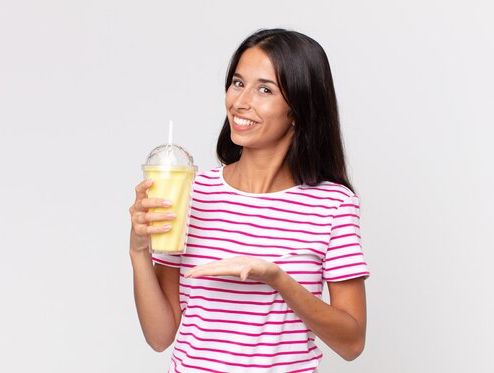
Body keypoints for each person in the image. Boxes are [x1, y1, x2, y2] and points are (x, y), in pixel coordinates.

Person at [129, 28, 369, 373]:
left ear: (298, 109)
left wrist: (277, 278)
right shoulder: (192, 192)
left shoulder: (333, 205)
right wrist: (139, 251)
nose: (240, 102)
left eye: (265, 89)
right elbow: (159, 336)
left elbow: (351, 343)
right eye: (238, 83)